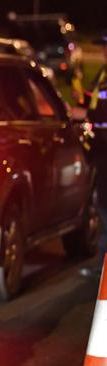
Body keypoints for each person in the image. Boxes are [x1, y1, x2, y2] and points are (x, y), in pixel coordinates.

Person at [79, 30, 107, 277]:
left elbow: (100, 113)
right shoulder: (103, 74)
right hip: (100, 148)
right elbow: (93, 101)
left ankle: (104, 265)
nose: (103, 51)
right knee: (101, 205)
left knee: (105, 207)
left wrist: (86, 116)